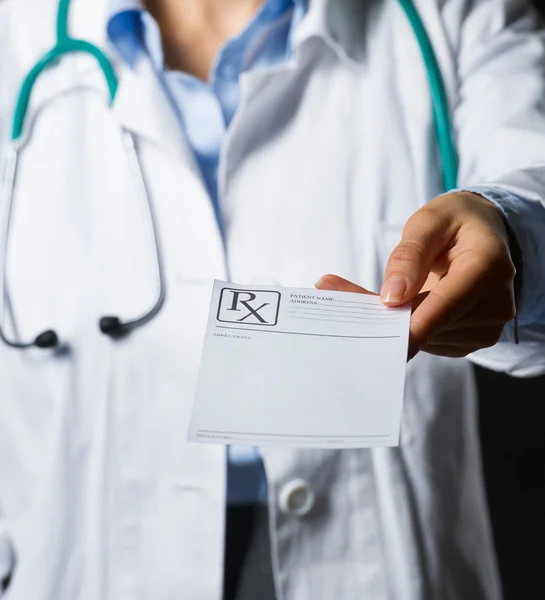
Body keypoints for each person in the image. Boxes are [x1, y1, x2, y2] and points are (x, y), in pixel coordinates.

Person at [0, 0, 545, 599]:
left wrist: (511, 234)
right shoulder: (14, 37)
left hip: (377, 566)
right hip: (85, 561)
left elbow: (531, 175)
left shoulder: (456, 15)